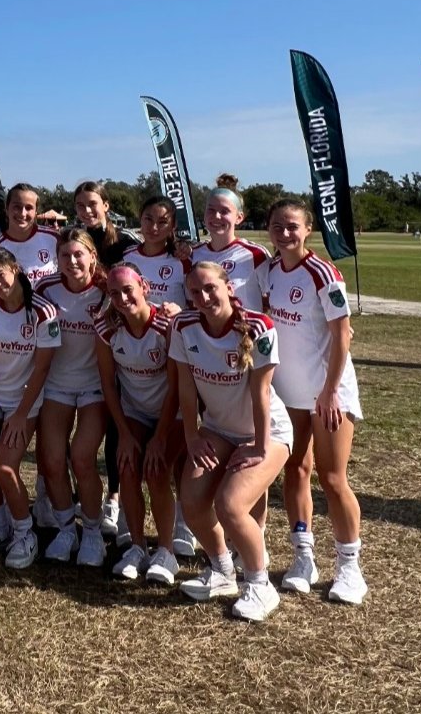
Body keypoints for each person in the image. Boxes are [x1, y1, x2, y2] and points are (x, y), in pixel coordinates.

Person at [173, 262, 292, 621]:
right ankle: (222, 570)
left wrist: (258, 447)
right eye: (195, 291)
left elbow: (262, 393)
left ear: (228, 287)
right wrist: (192, 437)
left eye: (211, 288)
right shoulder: (184, 325)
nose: (204, 297)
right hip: (217, 429)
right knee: (191, 500)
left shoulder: (258, 326)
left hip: (267, 432)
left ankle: (260, 585)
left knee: (230, 505)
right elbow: (186, 387)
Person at [263, 199, 367, 605]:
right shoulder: (270, 270)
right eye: (277, 226)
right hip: (290, 391)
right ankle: (303, 558)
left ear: (307, 229)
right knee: (295, 470)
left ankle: (349, 567)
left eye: (292, 226)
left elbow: (343, 335)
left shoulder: (323, 272)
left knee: (333, 477)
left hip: (329, 391)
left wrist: (328, 391)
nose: (284, 233)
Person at [0, 183, 62, 525]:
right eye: (16, 207)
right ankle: (1, 521)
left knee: (49, 450)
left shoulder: (52, 239)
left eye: (29, 208)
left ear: (37, 211)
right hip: (9, 349)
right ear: (6, 209)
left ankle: (44, 504)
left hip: (49, 344)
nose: (22, 214)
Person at [94, 263, 182, 586]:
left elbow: (175, 387)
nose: (121, 298)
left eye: (127, 290)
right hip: (134, 411)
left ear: (144, 286)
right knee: (127, 465)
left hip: (170, 413)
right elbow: (108, 385)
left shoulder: (166, 325)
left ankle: (167, 552)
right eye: (113, 293)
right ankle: (136, 546)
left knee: (157, 471)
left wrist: (159, 438)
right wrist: (125, 435)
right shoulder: (105, 329)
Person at [122, 195, 194, 555]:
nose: (154, 226)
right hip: (138, 369)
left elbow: (198, 305)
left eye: (163, 221)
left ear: (173, 226)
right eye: (148, 218)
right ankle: (130, 525)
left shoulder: (182, 260)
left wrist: (178, 311)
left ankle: (184, 522)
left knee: (178, 458)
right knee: (134, 457)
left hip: (176, 367)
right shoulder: (128, 259)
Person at [33, 229, 107, 566]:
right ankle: (66, 528)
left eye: (79, 254)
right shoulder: (45, 289)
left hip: (95, 387)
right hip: (56, 385)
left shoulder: (107, 291)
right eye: (65, 256)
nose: (73, 261)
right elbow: (10, 304)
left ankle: (92, 532)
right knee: (50, 459)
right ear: (57, 259)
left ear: (92, 256)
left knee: (81, 457)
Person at [74, 180, 140, 541]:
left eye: (92, 204)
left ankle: (113, 497)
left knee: (117, 424)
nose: (87, 211)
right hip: (84, 342)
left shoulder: (126, 242)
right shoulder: (75, 239)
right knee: (81, 426)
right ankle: (75, 497)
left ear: (106, 205)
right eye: (81, 206)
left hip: (122, 339)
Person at [190, 176, 269, 312]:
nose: (216, 216)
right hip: (202, 333)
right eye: (211, 210)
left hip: (245, 332)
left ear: (239, 217)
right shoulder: (192, 254)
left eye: (224, 211)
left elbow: (274, 299)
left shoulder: (255, 254)